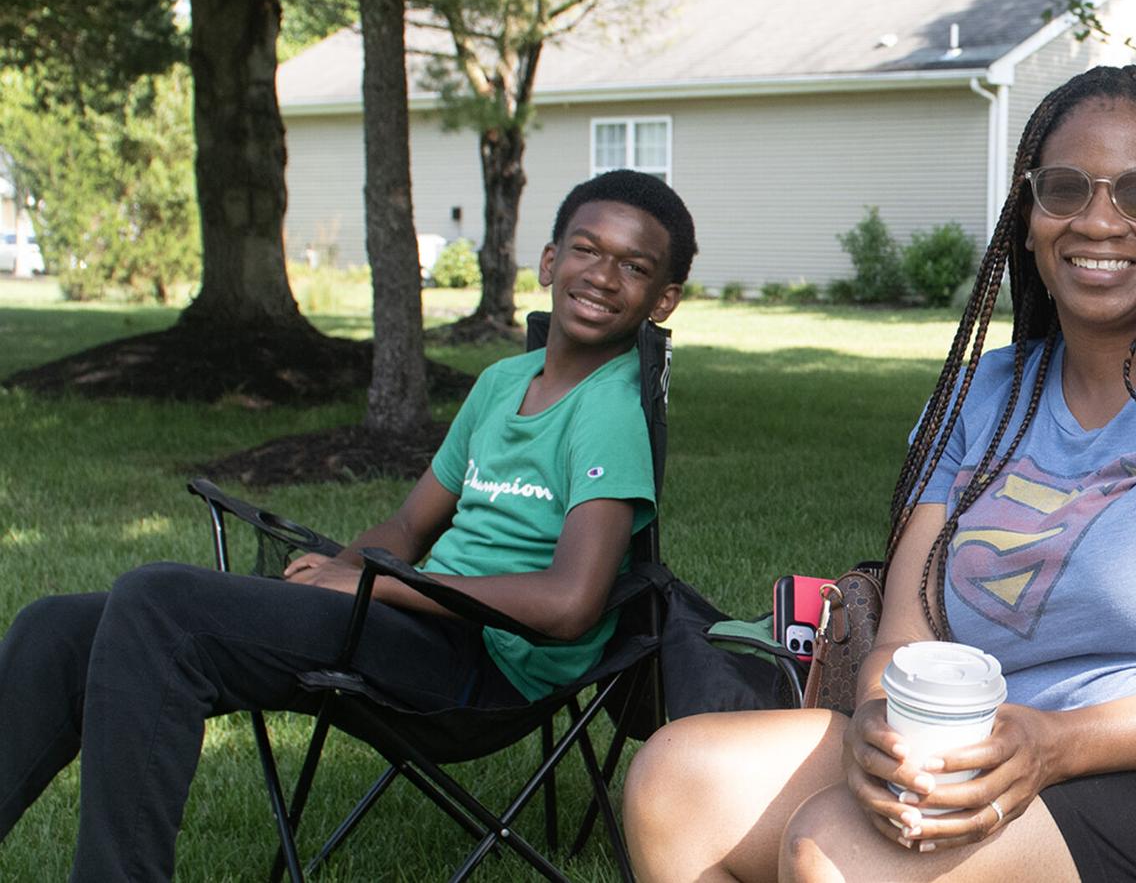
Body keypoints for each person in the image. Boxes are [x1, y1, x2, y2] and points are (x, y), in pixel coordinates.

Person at [622, 66, 1136, 882]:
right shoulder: (985, 395)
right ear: (1027, 216)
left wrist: (1060, 743)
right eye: (1064, 189)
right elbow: (905, 638)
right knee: (679, 781)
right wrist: (879, 717)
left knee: (839, 846)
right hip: (1020, 748)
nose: (1099, 219)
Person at [0, 168, 695, 882]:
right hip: (415, 622)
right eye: (587, 249)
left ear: (662, 297)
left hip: (484, 673)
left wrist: (385, 584)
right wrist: (340, 573)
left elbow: (570, 604)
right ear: (549, 261)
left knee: (158, 603)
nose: (604, 275)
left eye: (634, 266)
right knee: (56, 626)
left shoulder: (610, 412)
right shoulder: (501, 385)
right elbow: (407, 523)